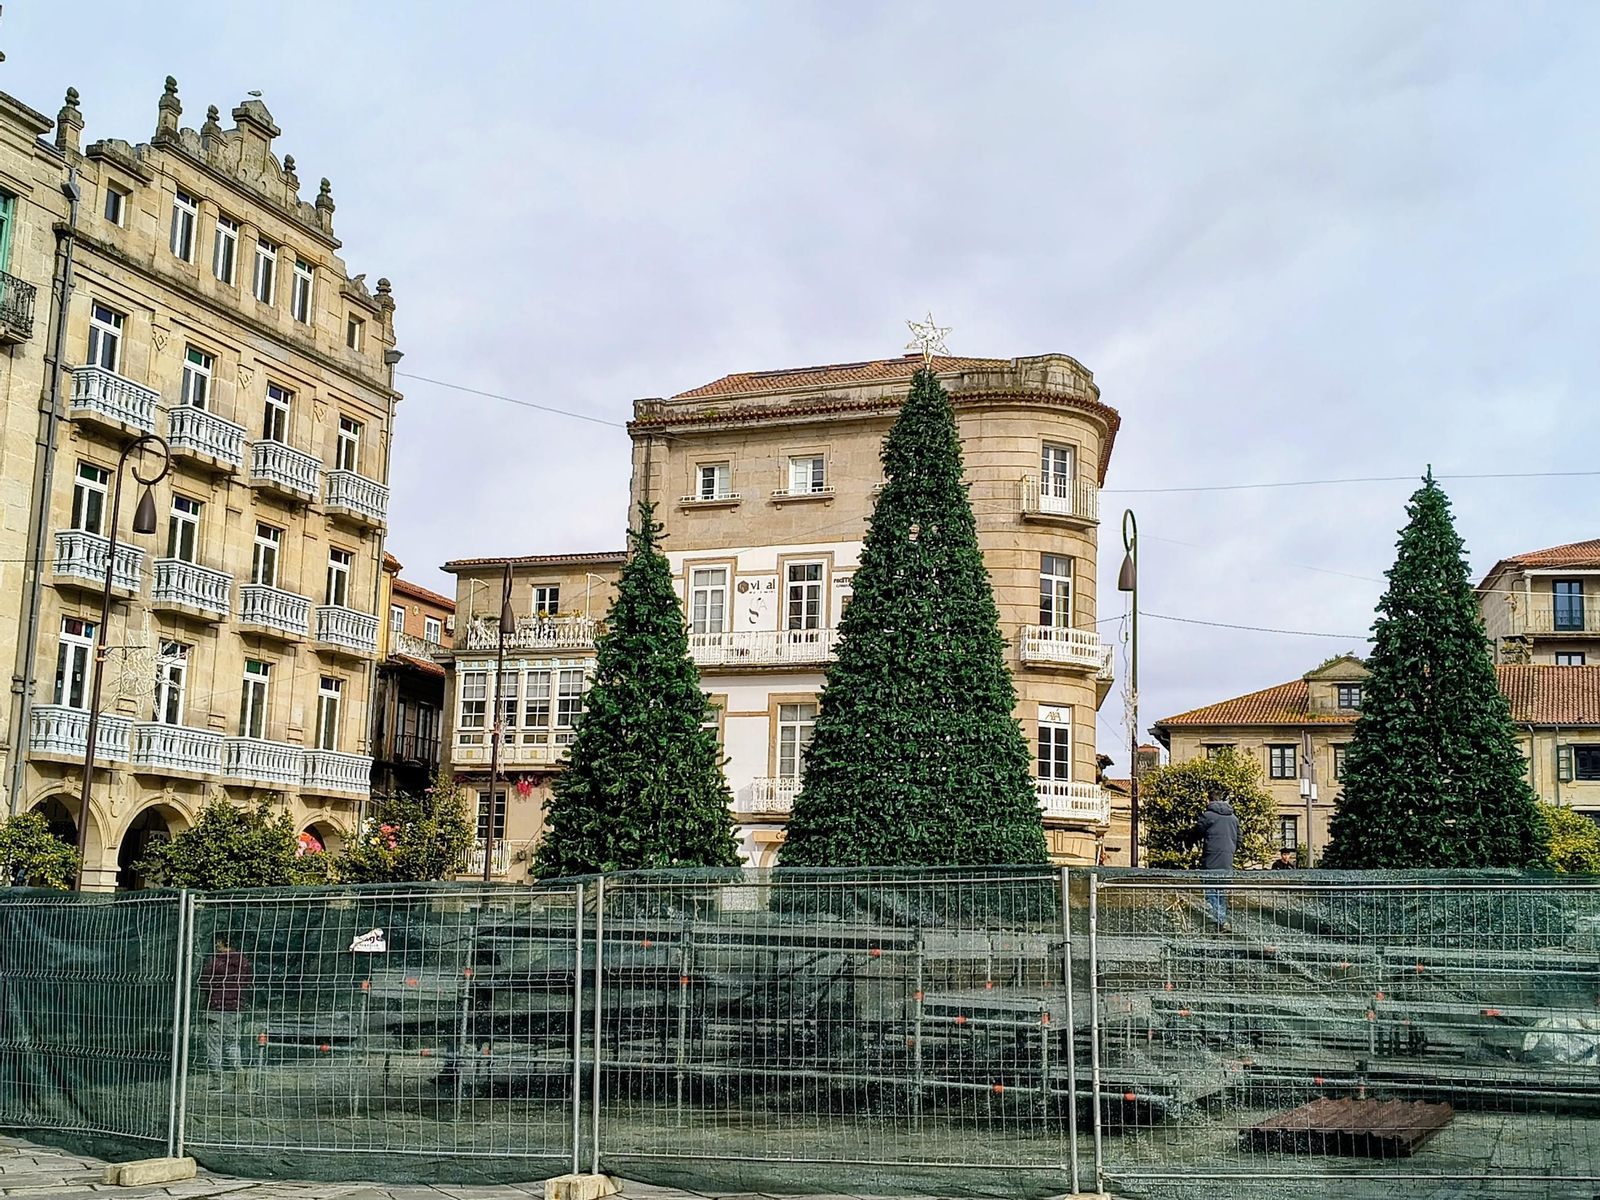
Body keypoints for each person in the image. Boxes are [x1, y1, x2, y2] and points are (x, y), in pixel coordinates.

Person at [198, 936, 253, 1087]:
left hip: (215, 1009)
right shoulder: (244, 962)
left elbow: (204, 983)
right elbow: (248, 981)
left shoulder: (215, 962)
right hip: (235, 1009)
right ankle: (238, 1070)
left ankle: (218, 1081)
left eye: (218, 943)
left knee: (214, 1047)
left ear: (223, 944)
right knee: (233, 1044)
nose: (216, 946)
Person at [1185, 795, 1241, 930]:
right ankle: (1222, 919)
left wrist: (1188, 842)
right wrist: (1231, 850)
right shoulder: (1234, 818)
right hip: (1227, 859)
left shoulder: (1208, 816)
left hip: (1211, 858)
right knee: (1221, 891)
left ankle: (1219, 920)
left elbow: (1197, 832)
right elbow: (1239, 840)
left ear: (1209, 800)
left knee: (1210, 889)